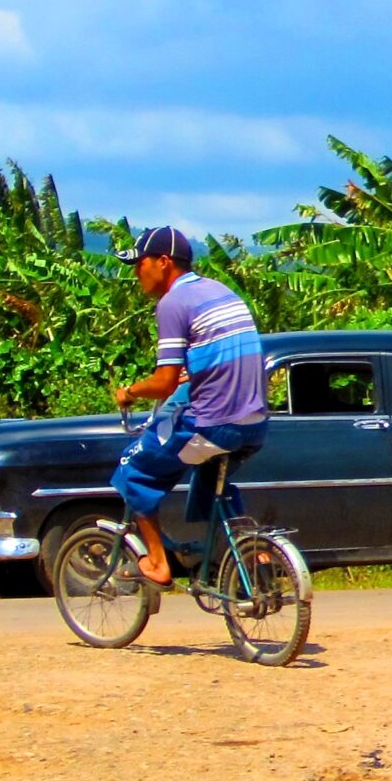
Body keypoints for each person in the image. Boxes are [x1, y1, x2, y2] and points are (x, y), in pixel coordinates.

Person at [108, 226, 269, 586]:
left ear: (163, 262)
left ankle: (158, 562)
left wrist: (130, 392)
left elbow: (163, 383)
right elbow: (214, 359)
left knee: (132, 470)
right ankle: (242, 556)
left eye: (140, 264)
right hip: (254, 424)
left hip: (212, 424)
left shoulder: (172, 303)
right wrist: (191, 376)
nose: (137, 273)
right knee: (213, 481)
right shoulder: (220, 291)